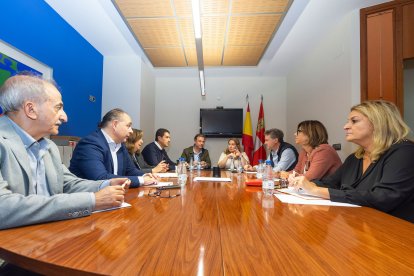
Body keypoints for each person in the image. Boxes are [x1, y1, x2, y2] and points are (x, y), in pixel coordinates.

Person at [0, 75, 130, 230]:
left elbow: (67, 183)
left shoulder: (49, 146)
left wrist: (105, 184)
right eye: (58, 107)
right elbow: (4, 208)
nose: (65, 117)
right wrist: (92, 200)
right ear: (31, 109)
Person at [291, 100, 414, 222]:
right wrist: (303, 184)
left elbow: (384, 197)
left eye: (354, 121)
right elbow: (330, 183)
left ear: (378, 123)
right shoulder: (355, 158)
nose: (345, 126)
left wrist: (316, 190)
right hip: (363, 226)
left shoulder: (404, 151)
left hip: (397, 232)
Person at [69, 109, 157, 187]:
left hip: (112, 197)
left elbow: (130, 170)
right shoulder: (90, 144)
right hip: (89, 201)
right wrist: (140, 180)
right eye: (128, 126)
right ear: (115, 124)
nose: (131, 131)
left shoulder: (120, 145)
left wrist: (144, 176)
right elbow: (101, 178)